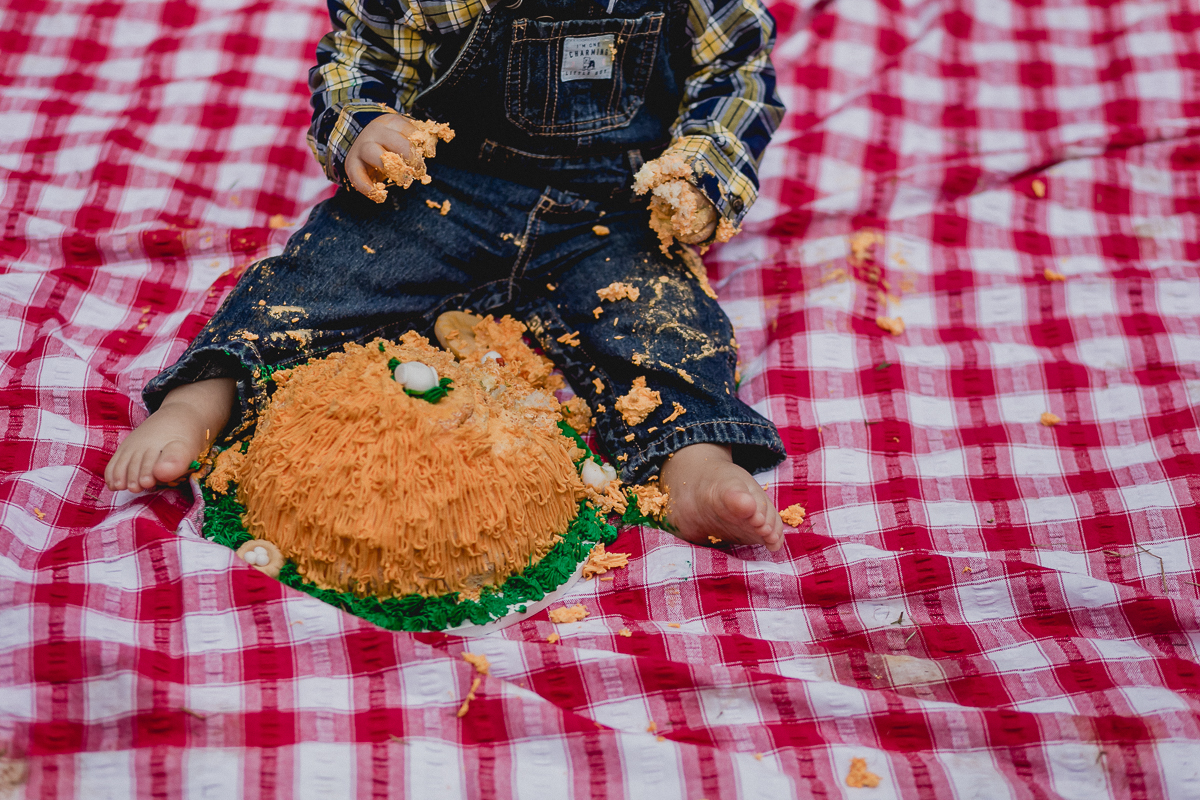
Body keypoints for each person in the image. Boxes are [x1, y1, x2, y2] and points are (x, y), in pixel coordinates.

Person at [105, 0, 789, 550]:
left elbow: (737, 73)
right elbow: (359, 58)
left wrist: (705, 170)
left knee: (665, 322)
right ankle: (204, 396)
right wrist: (365, 129)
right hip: (448, 188)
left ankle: (691, 459)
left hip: (618, 206)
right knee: (327, 270)